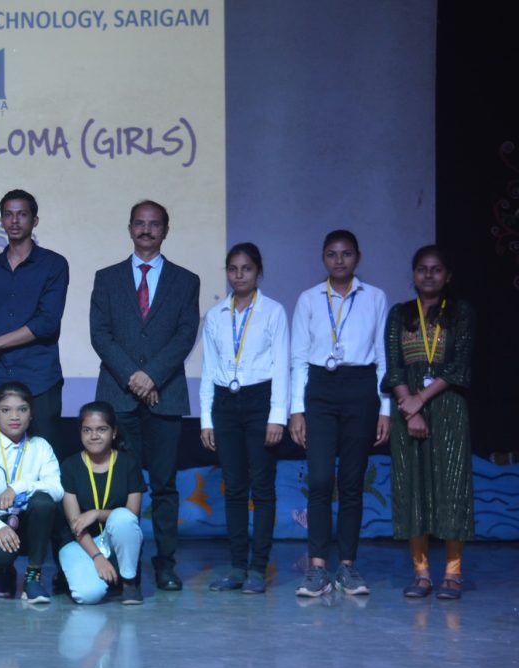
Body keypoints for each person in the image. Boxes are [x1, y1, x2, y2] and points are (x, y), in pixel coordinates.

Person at [89, 200, 200, 591]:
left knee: (165, 485)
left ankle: (165, 563)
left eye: (154, 224)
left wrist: (151, 376)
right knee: (120, 486)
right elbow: (100, 334)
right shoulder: (107, 278)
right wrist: (133, 377)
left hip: (165, 395)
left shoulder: (186, 280)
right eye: (140, 223)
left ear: (165, 230)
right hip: (119, 397)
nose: (146, 230)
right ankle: (124, 564)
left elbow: (185, 334)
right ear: (130, 228)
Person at [289, 230, 390, 597]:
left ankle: (347, 566)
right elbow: (299, 359)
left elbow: (383, 357)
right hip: (320, 390)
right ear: (323, 258)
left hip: (361, 389)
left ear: (357, 257)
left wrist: (385, 409)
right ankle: (317, 569)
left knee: (350, 482)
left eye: (346, 254)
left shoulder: (375, 297)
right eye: (332, 254)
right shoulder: (309, 299)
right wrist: (296, 410)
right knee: (319, 480)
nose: (339, 260)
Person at [383, 246, 475, 600]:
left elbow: (458, 367)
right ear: (414, 274)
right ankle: (421, 574)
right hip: (407, 409)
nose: (429, 275)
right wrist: (411, 408)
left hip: (448, 407)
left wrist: (419, 400)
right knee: (412, 487)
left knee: (452, 485)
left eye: (436, 269)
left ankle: (453, 573)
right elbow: (394, 367)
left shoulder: (461, 312)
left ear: (447, 275)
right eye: (422, 269)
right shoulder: (399, 313)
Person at [199, 243, 289, 594]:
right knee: (234, 487)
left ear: (258, 272)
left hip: (260, 401)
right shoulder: (215, 315)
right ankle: (238, 566)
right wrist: (206, 419)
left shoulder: (273, 312)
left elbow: (281, 366)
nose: (239, 275)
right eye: (233, 269)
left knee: (262, 487)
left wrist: (277, 416)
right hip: (225, 403)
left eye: (246, 269)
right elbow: (209, 369)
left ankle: (258, 568)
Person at [0, 189, 69, 456]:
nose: (14, 221)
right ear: (1, 220)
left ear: (34, 220)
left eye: (22, 214)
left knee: (45, 458)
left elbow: (47, 323)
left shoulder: (54, 264)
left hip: (40, 379)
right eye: (8, 215)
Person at [0, 381, 63, 603]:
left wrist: (19, 486)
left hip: (29, 525)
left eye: (22, 409)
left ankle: (33, 576)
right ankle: (0, 570)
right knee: (2, 563)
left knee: (44, 501)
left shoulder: (41, 447)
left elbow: (57, 489)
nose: (15, 416)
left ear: (31, 414)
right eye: (6, 410)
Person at [57, 402, 146, 605]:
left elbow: (131, 515)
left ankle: (129, 583)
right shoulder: (70, 466)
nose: (94, 436)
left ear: (114, 432)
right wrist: (97, 556)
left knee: (123, 518)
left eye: (101, 429)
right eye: (87, 430)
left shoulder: (128, 464)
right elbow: (75, 524)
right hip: (81, 542)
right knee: (88, 596)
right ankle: (91, 572)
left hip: (114, 539)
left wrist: (97, 513)